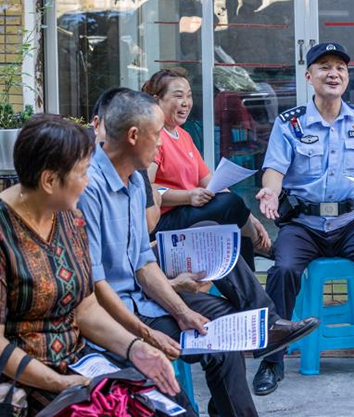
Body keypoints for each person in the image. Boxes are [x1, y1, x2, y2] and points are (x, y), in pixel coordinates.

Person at [78, 89, 319, 415]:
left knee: (223, 326)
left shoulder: (135, 182)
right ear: (134, 136)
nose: (161, 144)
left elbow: (142, 262)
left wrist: (180, 310)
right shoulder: (86, 189)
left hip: (143, 298)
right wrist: (149, 332)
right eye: (156, 135)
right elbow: (94, 288)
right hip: (115, 317)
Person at [253, 42, 354, 396]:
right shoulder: (290, 124)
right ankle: (272, 358)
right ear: (309, 76)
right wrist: (269, 190)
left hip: (350, 222)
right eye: (324, 67)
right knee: (283, 271)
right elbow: (274, 169)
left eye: (340, 67)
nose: (334, 73)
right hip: (304, 224)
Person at [0, 115, 180, 412]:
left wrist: (136, 348)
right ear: (49, 180)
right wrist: (60, 384)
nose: (87, 183)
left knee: (165, 403)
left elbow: (85, 309)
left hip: (77, 365)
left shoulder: (71, 219)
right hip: (24, 380)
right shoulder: (5, 232)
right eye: (83, 174)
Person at [141, 68, 271, 268]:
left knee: (234, 214)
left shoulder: (183, 135)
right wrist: (188, 196)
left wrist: (250, 217)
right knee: (231, 207)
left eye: (189, 96)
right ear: (157, 100)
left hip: (189, 210)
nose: (186, 103)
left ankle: (248, 288)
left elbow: (209, 181)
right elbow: (146, 188)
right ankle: (260, 246)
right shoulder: (154, 136)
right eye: (178, 96)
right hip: (164, 218)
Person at [91, 86, 163, 234]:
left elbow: (143, 250)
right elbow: (149, 223)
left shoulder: (135, 178)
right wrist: (156, 195)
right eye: (156, 134)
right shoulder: (87, 184)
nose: (160, 142)